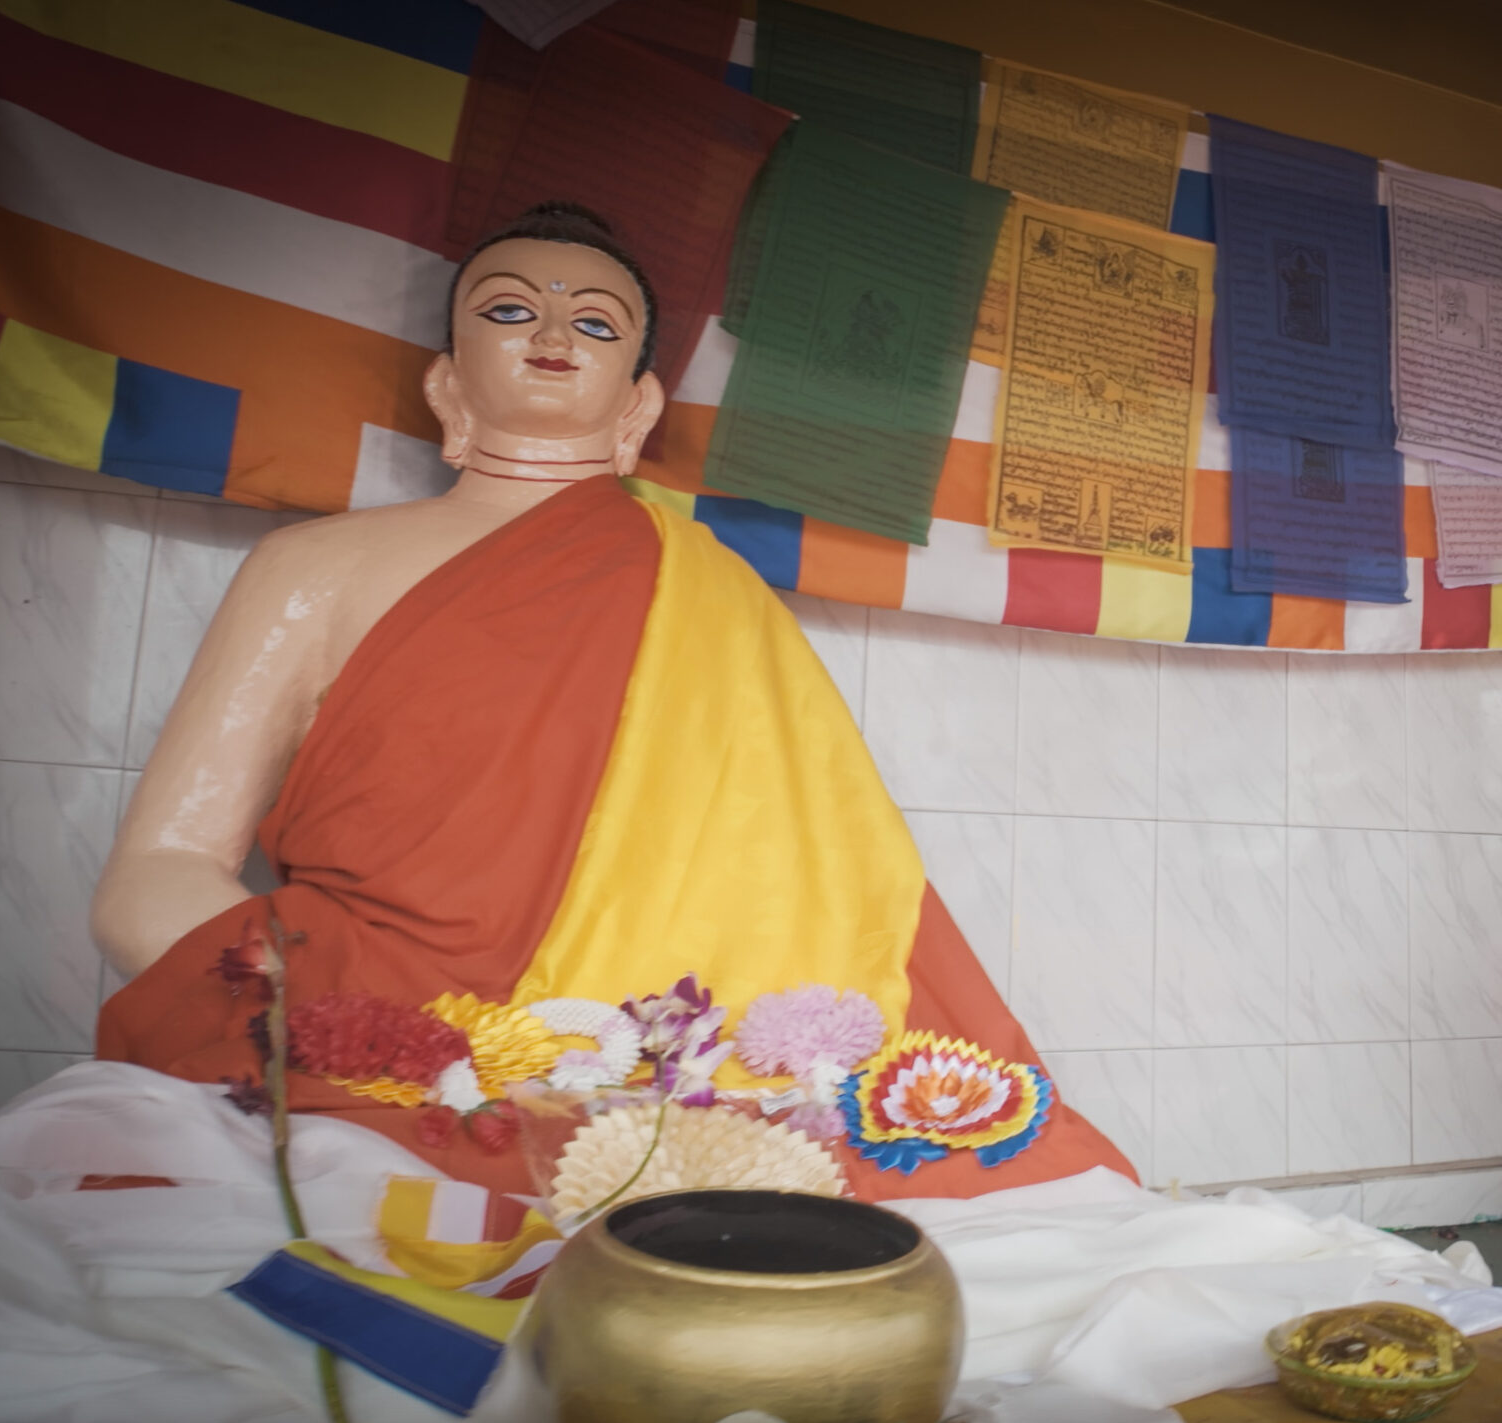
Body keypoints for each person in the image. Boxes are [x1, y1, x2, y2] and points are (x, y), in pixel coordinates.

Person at [91, 201, 1129, 1200]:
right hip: (375, 1028)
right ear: (446, 384)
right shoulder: (313, 568)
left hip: (660, 1058)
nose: (551, 334)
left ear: (638, 406)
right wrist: (355, 1021)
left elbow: (829, 895)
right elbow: (154, 876)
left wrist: (621, 1052)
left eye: (595, 323)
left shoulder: (712, 596)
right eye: (509, 309)